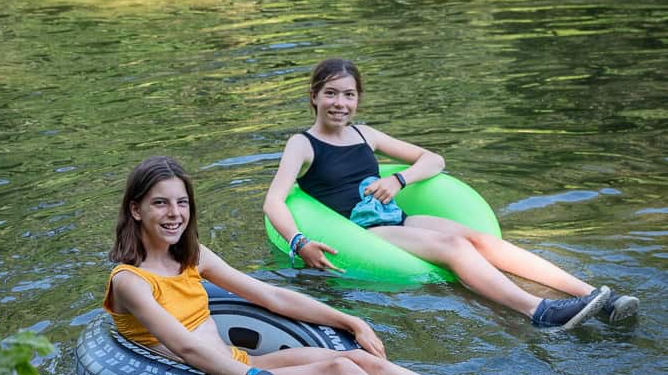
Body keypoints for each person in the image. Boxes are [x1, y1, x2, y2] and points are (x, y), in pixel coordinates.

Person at [103, 154, 580, 375]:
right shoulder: (130, 281)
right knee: (339, 370)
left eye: (181, 202)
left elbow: (269, 295)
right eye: (161, 203)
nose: (174, 213)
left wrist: (348, 318)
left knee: (360, 359)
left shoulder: (194, 256)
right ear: (136, 209)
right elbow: (186, 349)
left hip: (228, 359)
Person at [262, 57, 639, 329]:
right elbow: (275, 199)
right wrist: (299, 242)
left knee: (476, 237)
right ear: (314, 96)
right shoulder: (303, 144)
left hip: (395, 217)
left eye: (348, 94)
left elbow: (433, 159)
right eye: (331, 94)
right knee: (456, 249)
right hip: (365, 231)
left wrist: (399, 181)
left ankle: (594, 297)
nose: (340, 104)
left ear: (358, 98)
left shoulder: (367, 135)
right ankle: (537, 311)